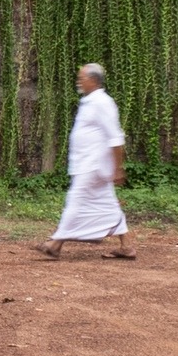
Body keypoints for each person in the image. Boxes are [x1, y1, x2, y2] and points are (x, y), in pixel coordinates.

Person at [43, 63, 134, 260]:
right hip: (88, 163)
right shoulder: (90, 102)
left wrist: (118, 168)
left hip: (93, 164)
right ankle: (126, 246)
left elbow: (116, 138)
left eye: (81, 78)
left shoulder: (103, 103)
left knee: (75, 200)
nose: (79, 81)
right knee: (108, 204)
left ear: (92, 80)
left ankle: (55, 243)